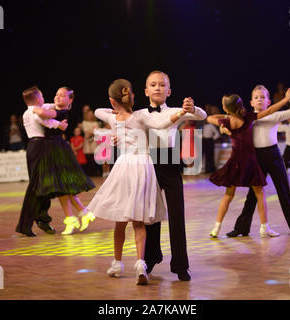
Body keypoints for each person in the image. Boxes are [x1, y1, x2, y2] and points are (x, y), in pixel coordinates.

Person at [87, 79, 187, 285]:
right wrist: (180, 114)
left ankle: (117, 262)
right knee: (140, 219)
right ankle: (142, 263)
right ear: (134, 95)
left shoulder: (115, 118)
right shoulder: (140, 116)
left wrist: (116, 112)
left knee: (120, 218)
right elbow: (161, 123)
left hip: (125, 166)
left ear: (113, 101)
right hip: (143, 165)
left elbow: (98, 111)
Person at [142, 70, 207, 281]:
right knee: (150, 214)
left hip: (169, 162)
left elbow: (202, 116)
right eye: (153, 84)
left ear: (169, 91)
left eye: (162, 85)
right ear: (146, 91)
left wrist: (192, 107)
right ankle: (151, 257)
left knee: (177, 214)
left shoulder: (176, 110)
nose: (158, 88)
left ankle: (180, 264)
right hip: (149, 162)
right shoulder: (141, 114)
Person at [207, 89, 290, 238]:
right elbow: (271, 110)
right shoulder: (248, 117)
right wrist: (285, 99)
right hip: (250, 162)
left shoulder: (227, 122)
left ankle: (216, 228)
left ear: (226, 108)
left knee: (228, 195)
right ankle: (264, 227)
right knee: (260, 194)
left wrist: (225, 116)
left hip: (235, 162)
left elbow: (210, 118)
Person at [32, 87, 96, 235]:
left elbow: (42, 113)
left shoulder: (61, 112)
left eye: (62, 96)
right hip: (50, 149)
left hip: (58, 151)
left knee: (62, 187)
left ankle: (74, 217)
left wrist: (32, 107)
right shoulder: (52, 107)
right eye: (56, 94)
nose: (58, 97)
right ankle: (81, 214)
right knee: (62, 188)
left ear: (70, 100)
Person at [15, 86, 68, 237]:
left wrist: (61, 104)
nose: (44, 99)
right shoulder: (34, 111)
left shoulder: (28, 111)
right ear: (38, 99)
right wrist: (60, 125)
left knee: (42, 186)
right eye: (42, 96)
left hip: (34, 147)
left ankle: (41, 219)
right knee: (35, 188)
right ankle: (26, 225)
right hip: (38, 146)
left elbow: (48, 107)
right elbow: (44, 120)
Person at [82, 109, 101, 176]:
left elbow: (97, 131)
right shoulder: (84, 122)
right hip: (87, 142)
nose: (90, 115)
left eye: (91, 114)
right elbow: (86, 131)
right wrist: (93, 130)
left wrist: (91, 132)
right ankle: (89, 173)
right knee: (88, 157)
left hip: (94, 142)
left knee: (94, 157)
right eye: (89, 114)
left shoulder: (95, 123)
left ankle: (95, 172)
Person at [202, 107, 220, 173]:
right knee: (206, 156)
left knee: (210, 156)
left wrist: (213, 139)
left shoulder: (211, 125)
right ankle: (207, 170)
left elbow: (217, 134)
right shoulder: (204, 126)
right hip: (204, 141)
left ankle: (211, 169)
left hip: (210, 141)